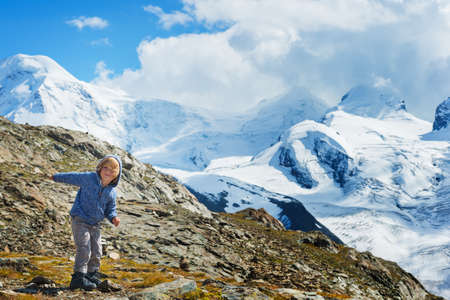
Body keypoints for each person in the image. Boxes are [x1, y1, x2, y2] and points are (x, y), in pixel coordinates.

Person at [51, 155, 122, 291]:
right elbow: (73, 177)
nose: (108, 172)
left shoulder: (112, 192)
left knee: (97, 251)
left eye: (113, 170)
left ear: (116, 175)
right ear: (100, 168)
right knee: (84, 248)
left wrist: (113, 218)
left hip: (95, 224)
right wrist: (56, 176)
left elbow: (110, 209)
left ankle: (91, 274)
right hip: (80, 219)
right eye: (106, 168)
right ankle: (78, 278)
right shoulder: (89, 178)